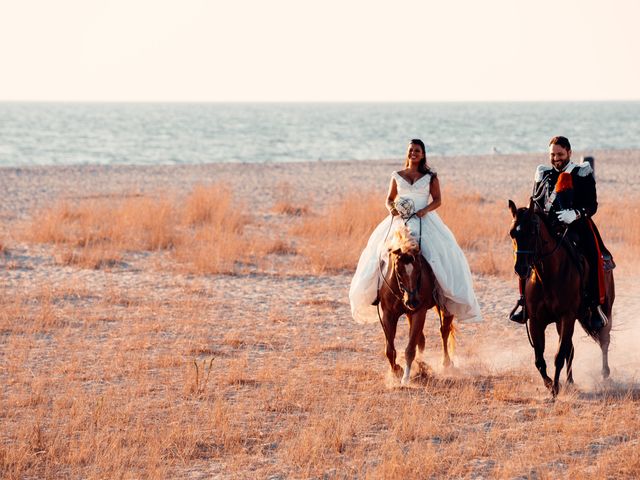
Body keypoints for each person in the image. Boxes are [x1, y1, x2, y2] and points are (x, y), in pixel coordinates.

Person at [349, 139, 482, 324]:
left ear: (423, 154)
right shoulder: (397, 175)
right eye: (411, 150)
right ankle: (377, 293)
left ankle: (440, 295)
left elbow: (438, 200)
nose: (414, 153)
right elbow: (389, 199)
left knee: (439, 255)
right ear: (408, 152)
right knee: (380, 254)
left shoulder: (430, 177)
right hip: (399, 222)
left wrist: (425, 210)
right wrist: (392, 209)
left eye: (417, 150)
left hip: (423, 220)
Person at [509, 135, 612, 328]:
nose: (556, 158)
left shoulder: (582, 173)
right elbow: (536, 202)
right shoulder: (543, 174)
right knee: (525, 254)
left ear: (569, 153)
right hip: (548, 227)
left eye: (560, 154)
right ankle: (524, 302)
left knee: (594, 256)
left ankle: (595, 305)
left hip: (578, 226)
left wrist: (575, 213)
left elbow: (592, 205)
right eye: (553, 154)